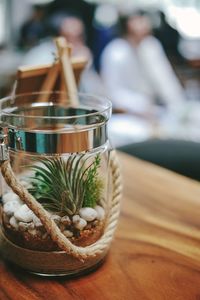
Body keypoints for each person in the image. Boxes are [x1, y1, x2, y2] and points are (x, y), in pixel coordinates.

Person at [100, 12, 186, 116]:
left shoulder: (151, 45)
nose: (144, 25)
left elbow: (165, 78)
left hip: (157, 109)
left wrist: (178, 104)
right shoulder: (115, 51)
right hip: (127, 113)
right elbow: (112, 91)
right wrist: (141, 104)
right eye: (138, 20)